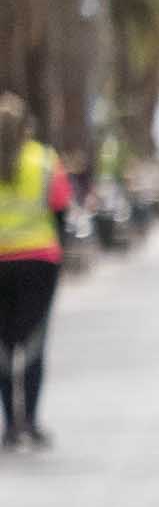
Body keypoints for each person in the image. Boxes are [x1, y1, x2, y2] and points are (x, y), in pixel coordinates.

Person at [0, 96, 70, 452]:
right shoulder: (44, 160)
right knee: (33, 343)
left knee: (2, 346)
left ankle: (9, 425)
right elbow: (61, 210)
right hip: (38, 263)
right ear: (27, 126)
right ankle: (30, 421)